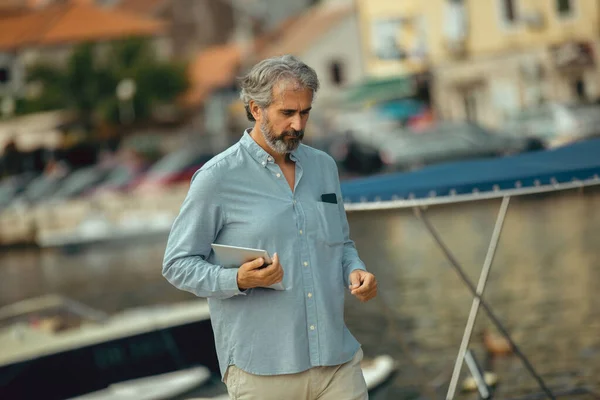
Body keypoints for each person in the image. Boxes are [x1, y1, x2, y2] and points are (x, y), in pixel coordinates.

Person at [162, 55, 378, 400]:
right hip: (261, 371)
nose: (297, 125)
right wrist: (237, 280)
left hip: (336, 362)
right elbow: (177, 265)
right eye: (286, 113)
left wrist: (357, 271)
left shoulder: (324, 167)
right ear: (256, 109)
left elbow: (341, 244)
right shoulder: (217, 178)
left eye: (304, 112)